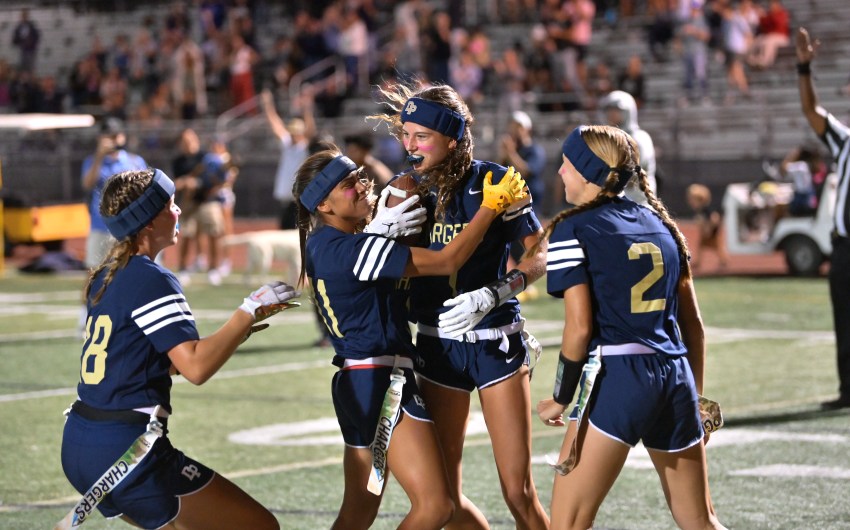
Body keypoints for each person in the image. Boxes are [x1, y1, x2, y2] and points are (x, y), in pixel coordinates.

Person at [292, 147, 527, 529]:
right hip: (380, 380)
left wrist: (375, 231)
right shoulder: (346, 248)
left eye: (359, 175)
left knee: (359, 513)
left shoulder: (339, 242)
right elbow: (447, 261)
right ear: (324, 205)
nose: (362, 184)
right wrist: (489, 208)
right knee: (436, 506)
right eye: (348, 184)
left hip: (361, 379)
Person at [61, 167, 299, 530]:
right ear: (147, 220)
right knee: (259, 526)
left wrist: (237, 333)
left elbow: (154, 361)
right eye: (170, 205)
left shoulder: (108, 272)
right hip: (125, 447)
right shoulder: (152, 278)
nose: (178, 212)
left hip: (81, 440)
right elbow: (195, 368)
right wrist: (246, 312)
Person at [373, 83, 550, 529]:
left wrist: (499, 290)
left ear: (452, 138)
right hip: (435, 346)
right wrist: (379, 227)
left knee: (518, 491)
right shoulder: (404, 190)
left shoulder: (494, 181)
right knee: (446, 496)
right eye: (406, 135)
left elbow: (541, 254)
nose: (410, 147)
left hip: (494, 342)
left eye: (422, 136)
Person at [535, 125, 726, 530]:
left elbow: (579, 327)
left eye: (566, 164)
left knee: (566, 524)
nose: (559, 174)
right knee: (701, 522)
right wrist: (697, 399)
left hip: (618, 376)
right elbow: (695, 327)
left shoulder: (574, 227)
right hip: (675, 377)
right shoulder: (662, 225)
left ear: (587, 172)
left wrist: (559, 397)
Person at [795, 27, 850, 410]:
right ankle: (849, 390)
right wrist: (803, 68)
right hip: (844, 245)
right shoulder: (845, 140)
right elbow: (812, 112)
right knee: (845, 322)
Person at [82, 118, 148, 270]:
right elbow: (88, 184)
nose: (112, 140)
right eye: (108, 136)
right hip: (100, 225)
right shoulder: (93, 161)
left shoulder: (134, 161)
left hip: (128, 227)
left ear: (122, 136)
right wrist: (99, 156)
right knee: (94, 274)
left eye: (115, 135)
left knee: (128, 272)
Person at [262, 87, 316, 229]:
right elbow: (275, 124)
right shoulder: (286, 144)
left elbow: (311, 130)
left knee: (298, 232)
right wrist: (268, 104)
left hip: (298, 199)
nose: (293, 135)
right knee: (284, 229)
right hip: (285, 198)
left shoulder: (304, 147)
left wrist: (306, 108)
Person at [599, 90, 657, 204]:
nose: (611, 114)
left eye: (616, 110)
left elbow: (631, 173)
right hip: (616, 206)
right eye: (609, 110)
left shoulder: (639, 138)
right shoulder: (608, 141)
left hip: (639, 204)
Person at [686, 183, 729, 270]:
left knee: (717, 246)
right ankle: (698, 262)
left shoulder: (707, 209)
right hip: (707, 233)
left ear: (700, 199)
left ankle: (723, 260)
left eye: (692, 200)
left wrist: (709, 228)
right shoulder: (700, 210)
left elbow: (715, 218)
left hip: (712, 233)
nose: (690, 202)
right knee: (701, 246)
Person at [11, 8, 39, 74]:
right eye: (23, 15)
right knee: (23, 68)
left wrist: (31, 42)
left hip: (31, 51)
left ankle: (30, 80)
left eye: (25, 15)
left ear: (27, 16)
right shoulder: (18, 27)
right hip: (22, 50)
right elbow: (14, 40)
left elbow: (37, 36)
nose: (24, 17)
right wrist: (20, 42)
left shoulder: (32, 26)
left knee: (30, 67)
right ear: (21, 17)